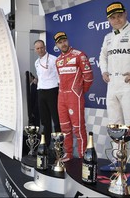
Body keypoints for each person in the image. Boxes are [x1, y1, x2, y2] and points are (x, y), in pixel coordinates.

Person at [99, 1, 130, 185]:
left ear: (125, 14)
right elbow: (103, 55)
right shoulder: (108, 37)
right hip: (112, 85)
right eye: (112, 17)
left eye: (119, 15)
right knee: (116, 126)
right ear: (108, 20)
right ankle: (119, 160)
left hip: (129, 84)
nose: (116, 19)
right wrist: (104, 70)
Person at [54, 32, 93, 161]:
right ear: (57, 45)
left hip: (74, 97)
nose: (63, 44)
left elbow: (88, 76)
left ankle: (83, 156)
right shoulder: (58, 60)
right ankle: (68, 153)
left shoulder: (79, 55)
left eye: (64, 40)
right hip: (61, 97)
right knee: (65, 128)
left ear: (67, 40)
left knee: (78, 128)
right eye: (60, 42)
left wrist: (80, 92)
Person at [34, 39, 61, 148]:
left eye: (41, 47)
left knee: (56, 118)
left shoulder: (54, 59)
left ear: (45, 47)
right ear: (35, 50)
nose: (40, 50)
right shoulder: (36, 62)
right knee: (45, 120)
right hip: (41, 91)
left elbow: (59, 76)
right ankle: (46, 144)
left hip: (53, 90)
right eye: (37, 48)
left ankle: (59, 145)